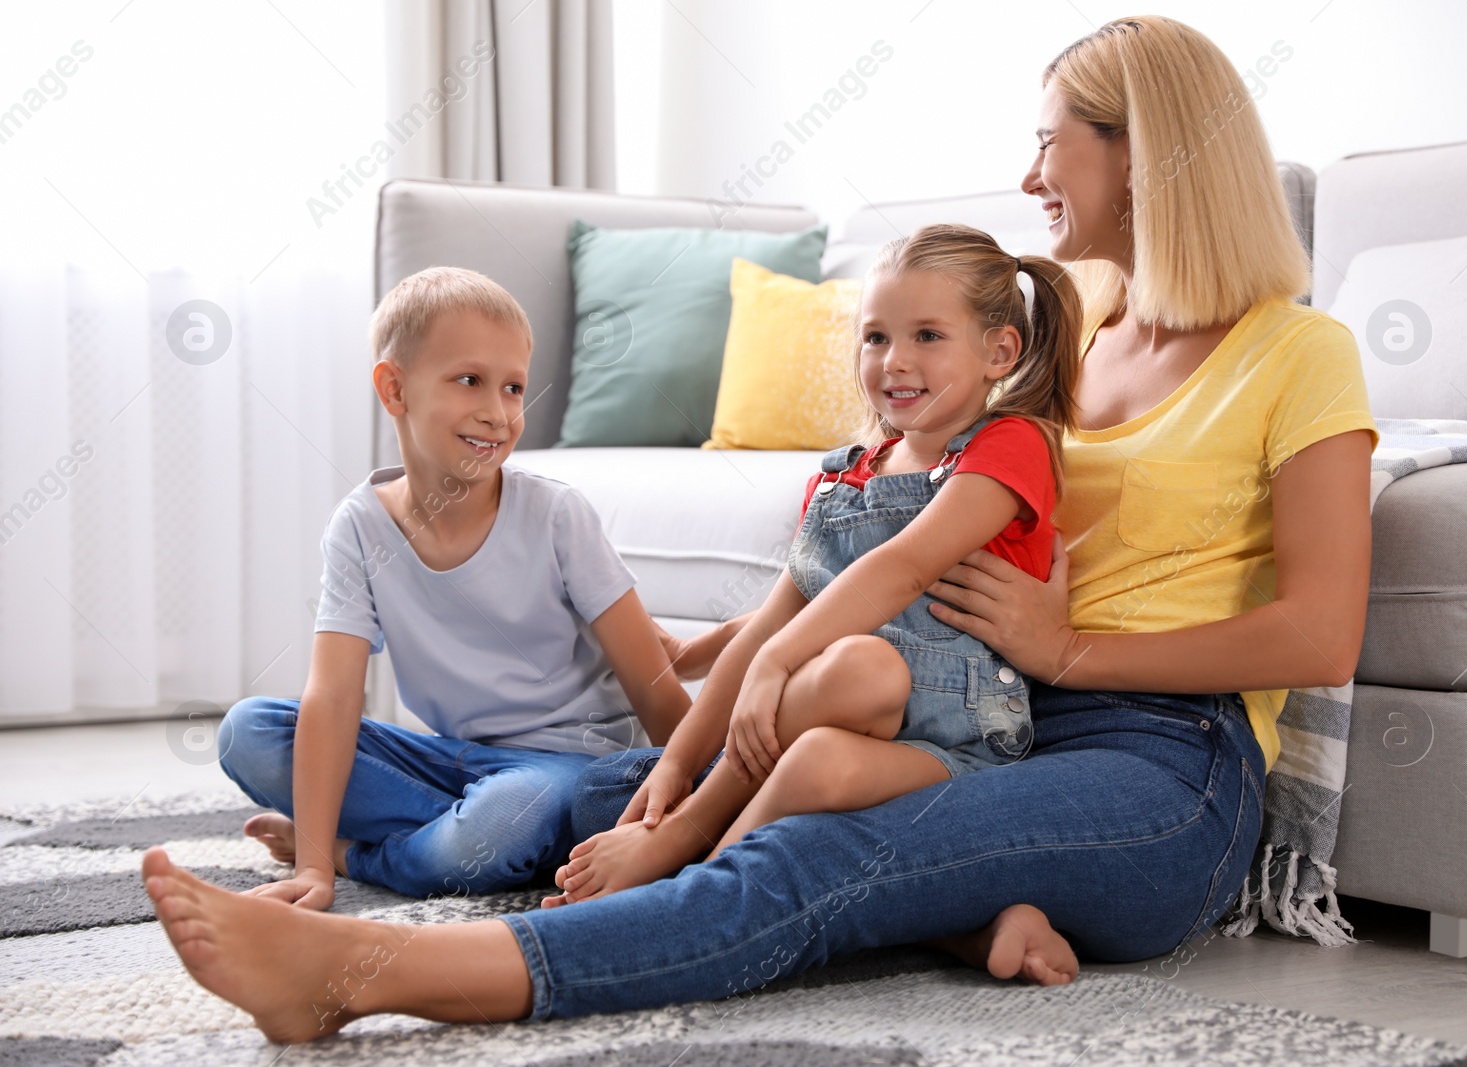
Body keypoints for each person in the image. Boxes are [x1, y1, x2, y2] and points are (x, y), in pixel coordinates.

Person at [142, 15, 1380, 1043]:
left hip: (1163, 769)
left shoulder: (1297, 354)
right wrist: (763, 636)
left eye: (1049, 144)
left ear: (1145, 151)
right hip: (995, 717)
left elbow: (1320, 635)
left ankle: (368, 972)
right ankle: (957, 914)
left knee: (802, 854)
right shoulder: (1075, 325)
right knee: (620, 796)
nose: (1029, 177)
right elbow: (920, 523)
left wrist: (1072, 655)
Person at [543, 225, 1081, 906]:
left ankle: (684, 844)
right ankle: (704, 880)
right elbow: (779, 617)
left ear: (999, 351)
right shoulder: (842, 480)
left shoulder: (1012, 447)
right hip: (845, 724)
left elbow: (903, 568)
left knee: (862, 668)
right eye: (876, 336)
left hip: (961, 747)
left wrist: (773, 665)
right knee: (835, 708)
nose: (894, 361)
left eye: (927, 336)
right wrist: (675, 762)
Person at [215, 266, 697, 908]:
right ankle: (440, 841)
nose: (497, 414)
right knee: (249, 732)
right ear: (395, 388)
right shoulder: (358, 527)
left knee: (509, 816)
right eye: (469, 380)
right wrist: (308, 875)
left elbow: (654, 687)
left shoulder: (557, 516)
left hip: (566, 770)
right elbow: (332, 697)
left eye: (514, 388)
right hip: (451, 761)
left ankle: (360, 852)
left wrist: (703, 806)